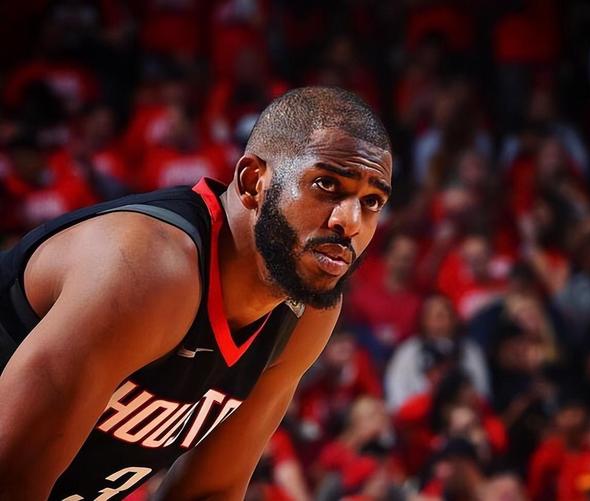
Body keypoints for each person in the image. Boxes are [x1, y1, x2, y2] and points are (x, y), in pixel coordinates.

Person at [0, 86, 393, 500]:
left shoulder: (305, 310)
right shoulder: (145, 270)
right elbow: (9, 478)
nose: (350, 222)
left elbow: (209, 492)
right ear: (253, 182)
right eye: (326, 184)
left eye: (371, 201)